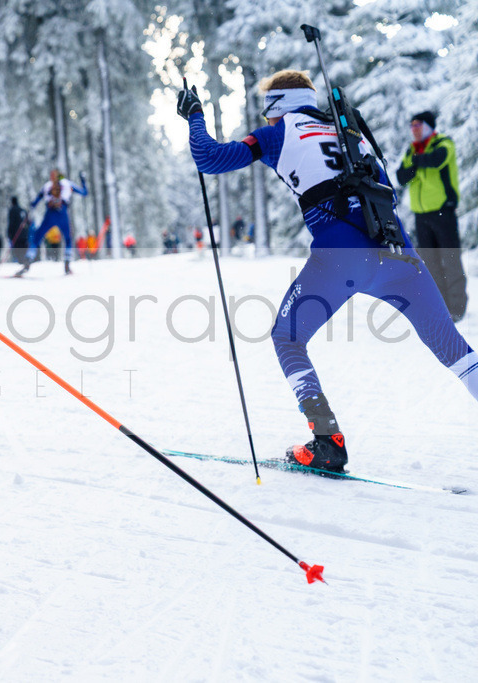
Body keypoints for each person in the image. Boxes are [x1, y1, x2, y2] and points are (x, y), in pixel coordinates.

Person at [177, 70, 477, 473]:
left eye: (267, 109)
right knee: (453, 348)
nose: (265, 118)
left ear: (277, 106)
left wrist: (195, 114)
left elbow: (209, 158)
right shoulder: (352, 130)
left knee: (287, 336)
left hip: (342, 258)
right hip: (400, 255)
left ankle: (327, 440)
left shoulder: (278, 132)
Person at [396, 111, 467, 321]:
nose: (414, 130)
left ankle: (457, 307)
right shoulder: (412, 150)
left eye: (418, 125)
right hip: (421, 215)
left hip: (443, 212)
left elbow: (437, 160)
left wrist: (417, 162)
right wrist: (417, 161)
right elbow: (402, 176)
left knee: (450, 259)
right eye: (412, 126)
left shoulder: (443, 143)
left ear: (428, 126)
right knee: (430, 262)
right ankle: (441, 306)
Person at [14, 168, 88, 276]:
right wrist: (83, 180)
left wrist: (31, 206)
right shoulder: (68, 184)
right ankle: (67, 265)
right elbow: (84, 192)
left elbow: (35, 203)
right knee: (68, 239)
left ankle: (27, 262)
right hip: (62, 213)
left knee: (36, 238)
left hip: (50, 214)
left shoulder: (47, 185)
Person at [7, 196, 29, 263]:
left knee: (18, 250)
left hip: (17, 234)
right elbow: (27, 222)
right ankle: (25, 261)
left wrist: (9, 234)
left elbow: (11, 222)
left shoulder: (12, 210)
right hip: (25, 234)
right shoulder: (23, 210)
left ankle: (21, 262)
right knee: (24, 249)